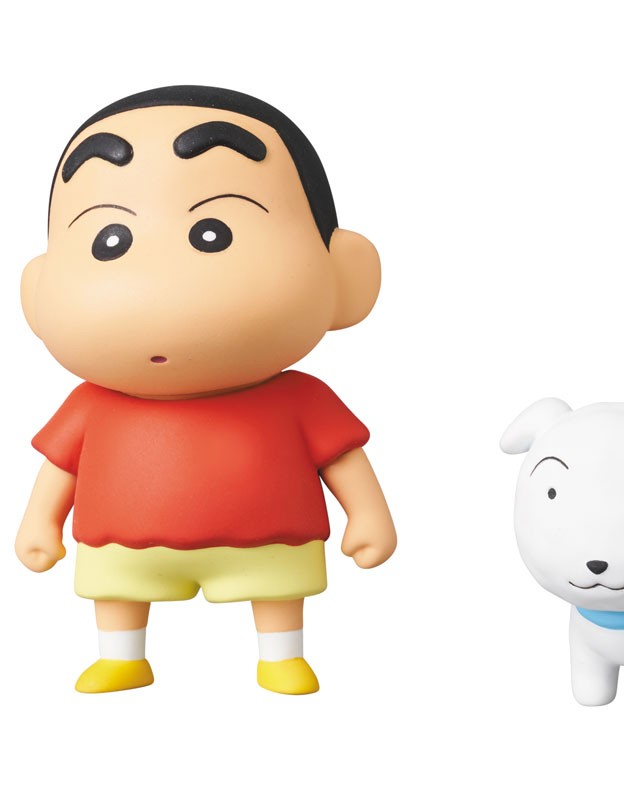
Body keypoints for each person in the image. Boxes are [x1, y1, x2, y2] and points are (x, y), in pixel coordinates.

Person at [16, 85, 396, 695]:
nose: (155, 283)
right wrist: (40, 522)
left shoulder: (299, 398)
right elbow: (59, 469)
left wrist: (369, 514)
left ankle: (281, 657)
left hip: (270, 539)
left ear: (344, 274)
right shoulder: (92, 404)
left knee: (277, 589)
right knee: (118, 589)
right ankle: (122, 656)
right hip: (124, 543)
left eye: (213, 232)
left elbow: (342, 458)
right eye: (109, 240)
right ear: (34, 292)